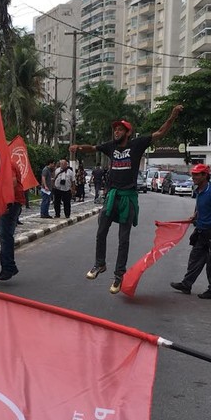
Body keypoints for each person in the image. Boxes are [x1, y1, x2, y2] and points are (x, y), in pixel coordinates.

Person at [79, 105, 182, 293]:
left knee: (123, 238)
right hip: (112, 196)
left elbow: (160, 132)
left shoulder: (137, 144)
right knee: (101, 230)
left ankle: (119, 275)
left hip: (128, 197)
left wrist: (172, 116)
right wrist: (77, 147)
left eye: (120, 129)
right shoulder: (110, 146)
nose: (116, 132)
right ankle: (99, 264)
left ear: (127, 132)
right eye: (115, 129)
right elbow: (92, 148)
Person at [170, 163, 211, 299]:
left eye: (197, 174)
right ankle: (186, 284)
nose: (194, 177)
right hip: (201, 230)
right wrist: (195, 215)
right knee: (195, 258)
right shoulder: (199, 190)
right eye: (193, 174)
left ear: (205, 175)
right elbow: (200, 206)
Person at [0, 160, 26, 281]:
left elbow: (12, 182)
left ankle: (9, 267)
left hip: (10, 203)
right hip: (12, 202)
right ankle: (8, 266)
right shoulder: (9, 164)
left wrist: (6, 201)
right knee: (5, 235)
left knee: (5, 235)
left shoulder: (7, 164)